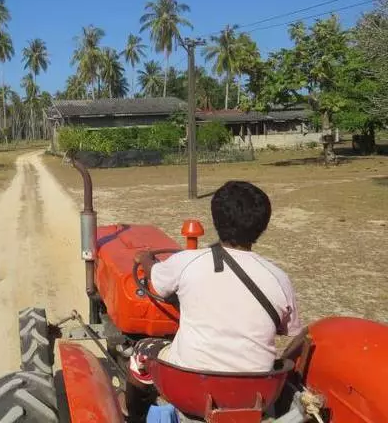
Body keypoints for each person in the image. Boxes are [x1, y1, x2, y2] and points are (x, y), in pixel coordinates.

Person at [122, 180, 303, 422]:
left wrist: (145, 259)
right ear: (263, 226)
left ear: (215, 220)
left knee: (141, 351)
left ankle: (134, 416)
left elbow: (157, 281)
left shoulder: (188, 261)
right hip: (256, 390)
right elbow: (287, 328)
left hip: (192, 387)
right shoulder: (279, 278)